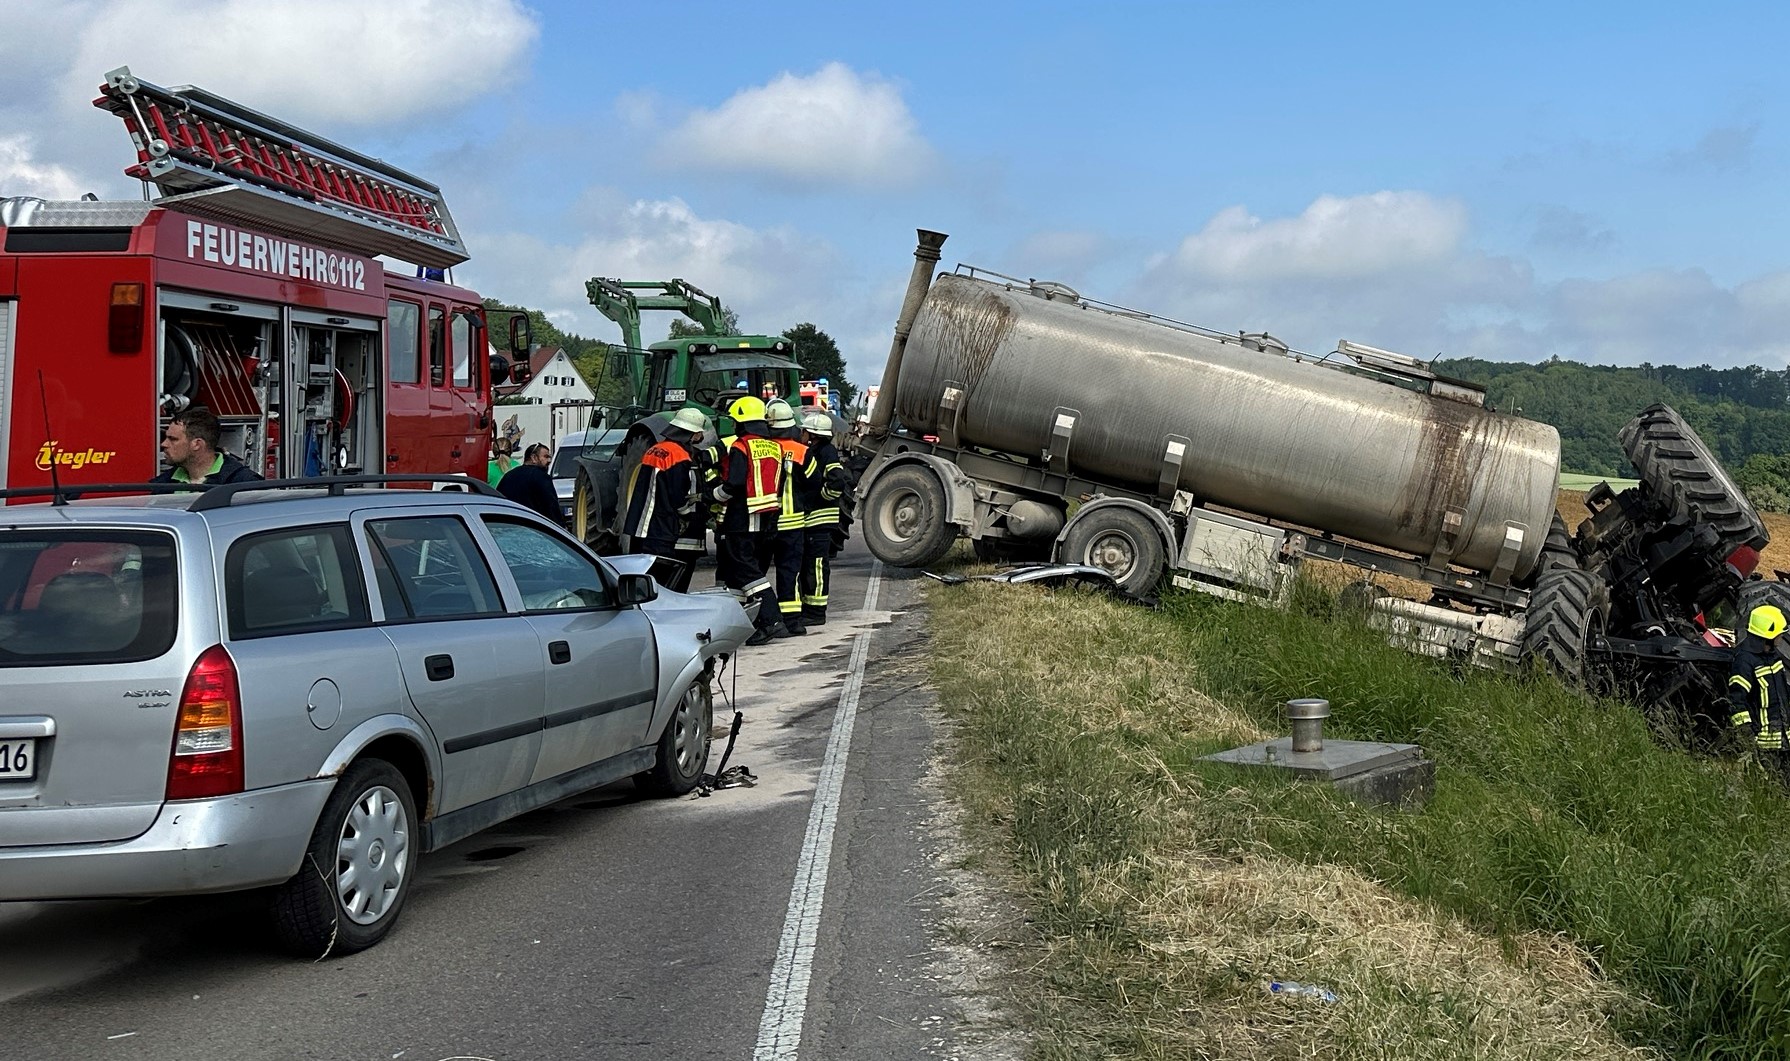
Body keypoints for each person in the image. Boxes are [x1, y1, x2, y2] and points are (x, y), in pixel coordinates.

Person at [714, 396, 786, 645]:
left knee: (746, 571)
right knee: (737, 572)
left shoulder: (741, 447)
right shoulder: (774, 447)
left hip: (741, 518)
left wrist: (713, 495)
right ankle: (739, 622)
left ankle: (771, 619)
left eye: (735, 421)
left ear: (742, 422)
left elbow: (734, 483)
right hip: (766, 518)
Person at [619, 407, 710, 590]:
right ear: (692, 434)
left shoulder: (655, 450)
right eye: (699, 433)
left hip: (641, 530)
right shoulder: (680, 456)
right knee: (666, 587)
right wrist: (692, 515)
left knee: (645, 585)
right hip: (663, 532)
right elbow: (678, 497)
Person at [765, 399, 816, 635]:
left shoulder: (762, 448)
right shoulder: (802, 452)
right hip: (793, 521)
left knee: (758, 570)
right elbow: (814, 483)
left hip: (765, 520)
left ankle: (762, 617)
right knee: (789, 571)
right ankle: (792, 621)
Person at [798, 410, 850, 627]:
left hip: (820, 519)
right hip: (813, 520)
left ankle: (816, 612)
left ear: (812, 435)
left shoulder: (825, 452)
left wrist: (821, 498)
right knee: (809, 564)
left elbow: (837, 481)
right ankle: (809, 608)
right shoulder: (818, 450)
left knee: (817, 566)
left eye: (804, 431)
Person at [1730, 603, 1790, 771]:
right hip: (1764, 745)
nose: (1781, 637)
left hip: (1783, 739)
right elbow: (1736, 700)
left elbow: (1782, 692)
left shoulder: (1773, 656)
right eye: (1779, 634)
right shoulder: (1744, 662)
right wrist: (1746, 732)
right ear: (1768, 635)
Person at [152, 406, 264, 486]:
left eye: (173, 439)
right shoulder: (161, 484)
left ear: (197, 444)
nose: (164, 444)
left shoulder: (244, 484)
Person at [497, 443, 564, 525]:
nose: (549, 461)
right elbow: (551, 506)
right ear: (534, 458)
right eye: (546, 457)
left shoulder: (509, 475)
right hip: (533, 528)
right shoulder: (541, 477)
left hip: (507, 525)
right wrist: (560, 526)